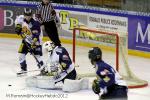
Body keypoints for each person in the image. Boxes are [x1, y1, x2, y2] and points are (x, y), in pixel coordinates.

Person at [15, 8, 44, 75]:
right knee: (21, 54)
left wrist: (33, 45)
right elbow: (18, 24)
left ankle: (43, 70)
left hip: (36, 42)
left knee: (37, 56)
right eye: (26, 15)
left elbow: (36, 36)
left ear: (31, 15)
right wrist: (17, 28)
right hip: (26, 40)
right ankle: (23, 69)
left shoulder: (35, 23)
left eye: (29, 15)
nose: (27, 17)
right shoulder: (21, 18)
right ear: (24, 15)